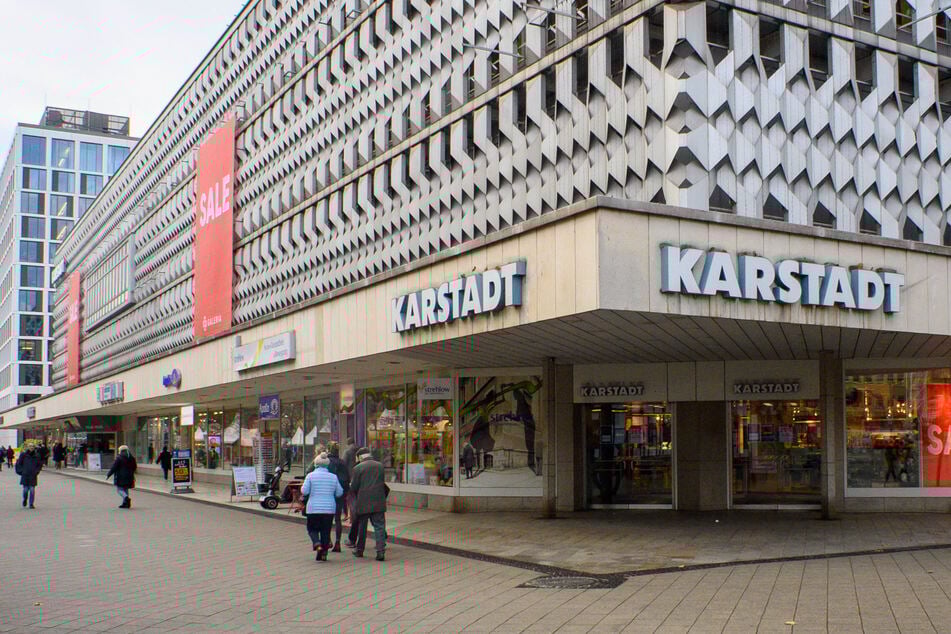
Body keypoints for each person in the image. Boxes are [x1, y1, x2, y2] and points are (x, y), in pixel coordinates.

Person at [300, 453, 343, 561]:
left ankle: (316, 543)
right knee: (325, 531)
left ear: (315, 464)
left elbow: (304, 491)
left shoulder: (310, 476)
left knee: (312, 528)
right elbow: (339, 492)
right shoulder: (333, 477)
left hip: (313, 508)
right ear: (327, 465)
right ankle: (324, 553)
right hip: (329, 509)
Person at [347, 447, 388, 561]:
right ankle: (380, 551)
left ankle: (360, 550)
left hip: (363, 501)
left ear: (360, 457)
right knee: (379, 526)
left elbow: (354, 487)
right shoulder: (380, 466)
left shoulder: (358, 468)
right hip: (379, 500)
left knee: (362, 527)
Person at [326, 442, 349, 552]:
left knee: (327, 518)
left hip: (329, 492)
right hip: (340, 493)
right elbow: (347, 478)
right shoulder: (342, 462)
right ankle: (338, 542)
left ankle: (328, 540)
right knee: (338, 518)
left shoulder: (327, 462)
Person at [15, 443, 42, 509]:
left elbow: (39, 465)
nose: (31, 447)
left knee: (32, 490)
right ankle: (25, 499)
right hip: (25, 475)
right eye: (30, 446)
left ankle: (31, 504)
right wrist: (21, 471)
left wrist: (37, 471)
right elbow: (18, 464)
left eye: (32, 446)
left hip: (33, 475)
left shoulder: (37, 455)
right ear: (27, 447)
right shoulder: (23, 455)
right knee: (25, 490)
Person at [341, 438, 357, 520]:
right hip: (358, 476)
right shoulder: (358, 450)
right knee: (355, 496)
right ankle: (355, 515)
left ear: (347, 444)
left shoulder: (347, 452)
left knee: (348, 497)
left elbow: (343, 464)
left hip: (349, 477)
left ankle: (348, 515)